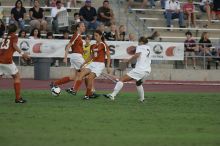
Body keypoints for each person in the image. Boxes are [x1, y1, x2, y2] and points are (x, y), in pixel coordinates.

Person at [104, 36, 151, 102]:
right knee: (138, 83)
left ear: (141, 42)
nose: (138, 43)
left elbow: (137, 55)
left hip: (140, 69)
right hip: (147, 71)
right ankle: (142, 99)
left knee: (121, 79)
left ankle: (112, 95)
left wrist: (128, 60)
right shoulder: (148, 48)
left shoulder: (140, 47)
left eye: (139, 42)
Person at [68, 30, 111, 99]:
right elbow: (91, 56)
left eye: (97, 35)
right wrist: (84, 63)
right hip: (92, 63)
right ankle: (74, 90)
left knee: (89, 78)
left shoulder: (103, 45)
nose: (95, 37)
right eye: (94, 35)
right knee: (82, 73)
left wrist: (108, 66)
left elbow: (108, 56)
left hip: (100, 64)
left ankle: (87, 95)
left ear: (100, 36)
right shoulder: (93, 45)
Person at [50, 22, 86, 89]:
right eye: (82, 26)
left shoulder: (79, 36)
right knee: (86, 72)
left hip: (75, 56)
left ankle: (55, 83)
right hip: (76, 57)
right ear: (78, 28)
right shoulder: (76, 35)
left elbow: (75, 47)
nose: (84, 27)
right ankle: (88, 91)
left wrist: (83, 51)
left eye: (84, 26)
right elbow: (68, 46)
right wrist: (65, 57)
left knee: (73, 77)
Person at [0, 24, 29, 103]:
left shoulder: (5, 36)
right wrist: (23, 53)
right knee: (16, 77)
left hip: (0, 59)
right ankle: (18, 98)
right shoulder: (14, 36)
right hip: (7, 60)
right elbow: (14, 45)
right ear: (16, 30)